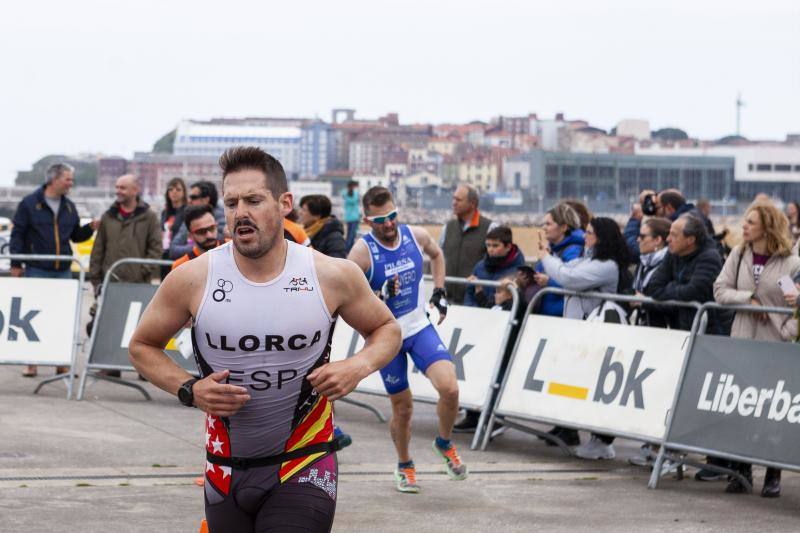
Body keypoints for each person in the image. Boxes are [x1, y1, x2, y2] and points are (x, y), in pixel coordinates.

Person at [129, 146, 401, 532]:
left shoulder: (329, 274)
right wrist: (189, 389)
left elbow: (387, 329)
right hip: (224, 469)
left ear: (284, 203)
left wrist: (357, 366)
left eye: (254, 200)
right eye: (232, 202)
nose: (241, 212)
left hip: (305, 461)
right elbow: (141, 346)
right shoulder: (193, 278)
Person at [348, 186, 468, 493]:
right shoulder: (362, 252)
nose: (388, 225)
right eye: (380, 221)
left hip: (418, 327)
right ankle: (404, 464)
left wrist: (440, 292)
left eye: (392, 216)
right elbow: (347, 296)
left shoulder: (415, 235)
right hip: (387, 337)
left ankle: (443, 443)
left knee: (450, 388)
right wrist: (375, 297)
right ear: (366, 220)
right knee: (403, 408)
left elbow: (437, 255)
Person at [713, 202, 800, 497]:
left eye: (751, 222)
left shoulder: (790, 262)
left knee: (771, 411)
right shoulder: (739, 255)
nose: (745, 226)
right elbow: (720, 290)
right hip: (743, 340)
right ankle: (741, 471)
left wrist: (787, 329)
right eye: (745, 221)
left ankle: (773, 473)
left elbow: (794, 304)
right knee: (741, 408)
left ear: (768, 226)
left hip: (775, 345)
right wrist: (748, 297)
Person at [643, 214, 732, 480]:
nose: (668, 239)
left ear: (691, 239)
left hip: (717, 334)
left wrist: (673, 289)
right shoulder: (674, 254)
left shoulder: (710, 257)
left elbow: (696, 291)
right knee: (691, 396)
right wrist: (675, 289)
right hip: (689, 331)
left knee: (716, 398)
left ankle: (724, 461)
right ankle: (700, 455)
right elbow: (655, 287)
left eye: (674, 234)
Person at [539, 217, 633, 459]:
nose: (585, 237)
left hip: (595, 334)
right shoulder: (591, 259)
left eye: (590, 233)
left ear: (601, 237)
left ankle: (602, 441)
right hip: (580, 332)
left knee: (593, 387)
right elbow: (569, 270)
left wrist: (545, 257)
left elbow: (569, 277)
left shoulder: (607, 265)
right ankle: (577, 431)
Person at [9, 162, 98, 377]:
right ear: (54, 179)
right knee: (33, 316)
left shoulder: (69, 206)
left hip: (63, 271)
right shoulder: (29, 204)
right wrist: (15, 263)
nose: (71, 183)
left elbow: (75, 236)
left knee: (62, 316)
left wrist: (90, 228)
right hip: (37, 269)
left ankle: (61, 363)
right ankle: (31, 362)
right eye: (67, 179)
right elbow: (18, 233)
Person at [440, 184, 494, 304]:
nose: (453, 203)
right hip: (447, 300)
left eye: (458, 200)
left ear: (473, 203)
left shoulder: (489, 228)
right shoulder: (447, 228)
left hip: (475, 301)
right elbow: (440, 259)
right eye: (453, 198)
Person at [534, 203, 585, 318]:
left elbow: (574, 281)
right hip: (548, 314)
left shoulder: (574, 251)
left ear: (563, 227)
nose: (544, 228)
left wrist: (548, 282)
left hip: (561, 316)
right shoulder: (553, 248)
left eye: (548, 224)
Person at [465, 226, 525, 308]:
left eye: (495, 246)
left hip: (504, 318)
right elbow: (469, 293)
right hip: (477, 315)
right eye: (488, 245)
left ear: (508, 247)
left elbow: (521, 303)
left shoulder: (519, 272)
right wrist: (472, 310)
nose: (490, 249)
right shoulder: (479, 266)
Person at [630, 217, 671, 328]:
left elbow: (670, 300)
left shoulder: (669, 264)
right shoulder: (643, 262)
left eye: (642, 236)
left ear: (657, 240)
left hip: (662, 329)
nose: (638, 240)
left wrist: (644, 302)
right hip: (642, 324)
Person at [169, 181, 226, 259]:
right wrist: (198, 247)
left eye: (193, 197)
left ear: (206, 199)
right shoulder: (189, 218)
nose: (189, 201)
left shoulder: (222, 217)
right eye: (200, 231)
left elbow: (222, 243)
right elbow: (173, 250)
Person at [171, 205, 224, 270]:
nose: (209, 235)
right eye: (201, 231)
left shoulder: (234, 248)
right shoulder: (180, 267)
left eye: (211, 228)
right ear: (190, 235)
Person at [299, 194, 347, 259]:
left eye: (304, 210)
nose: (300, 212)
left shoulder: (334, 237)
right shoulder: (302, 231)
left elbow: (338, 262)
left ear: (317, 215)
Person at [160, 177, 188, 278]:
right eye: (171, 189)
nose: (174, 192)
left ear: (184, 192)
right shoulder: (165, 212)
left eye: (178, 189)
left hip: (179, 254)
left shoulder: (187, 211)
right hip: (164, 254)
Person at [342, 180, 360, 251]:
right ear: (354, 186)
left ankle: (347, 250)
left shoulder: (345, 194)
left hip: (348, 217)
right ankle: (348, 250)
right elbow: (355, 201)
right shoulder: (355, 194)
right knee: (352, 236)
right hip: (355, 217)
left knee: (349, 235)